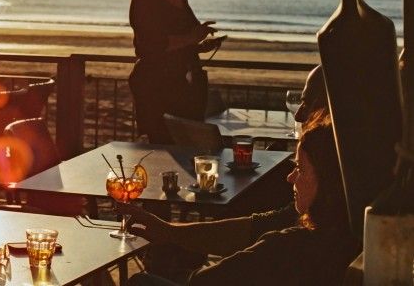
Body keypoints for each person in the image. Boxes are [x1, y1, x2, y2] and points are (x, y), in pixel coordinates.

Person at [124, 119, 358, 286]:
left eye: (300, 169)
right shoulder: (352, 231)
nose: (290, 178)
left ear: (329, 181)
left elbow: (202, 281)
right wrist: (170, 232)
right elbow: (252, 228)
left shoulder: (287, 248)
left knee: (141, 281)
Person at [128, 0, 222, 143]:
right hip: (157, 89)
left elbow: (184, 42)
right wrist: (192, 37)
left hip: (184, 89)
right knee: (164, 148)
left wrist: (200, 45)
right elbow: (151, 44)